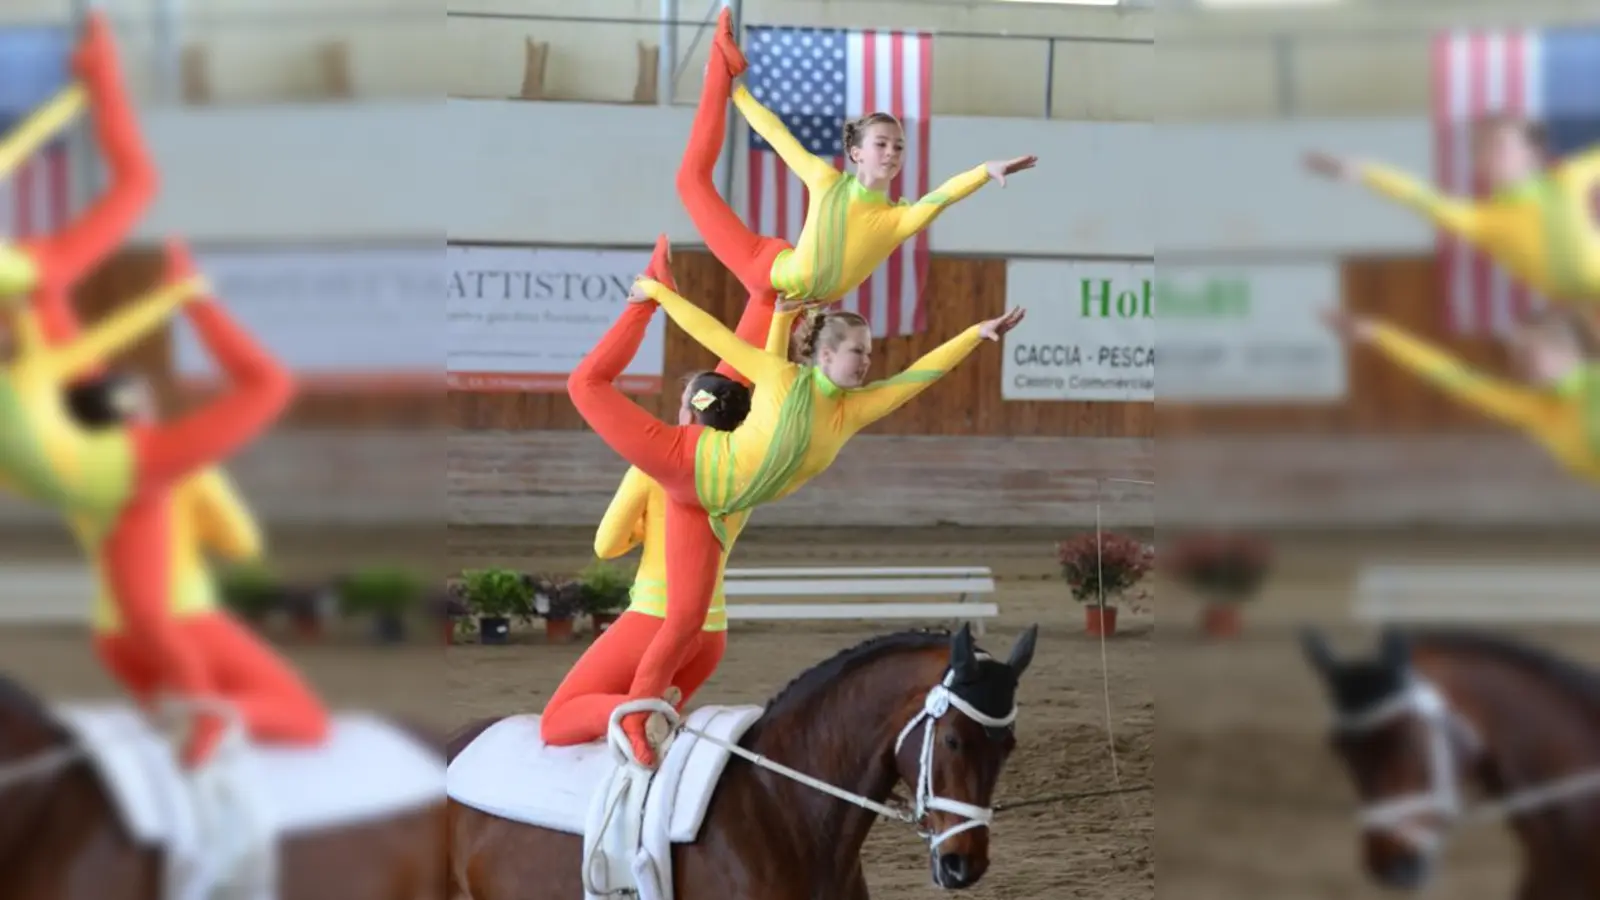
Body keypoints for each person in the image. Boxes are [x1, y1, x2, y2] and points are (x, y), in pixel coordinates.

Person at [568, 267, 1024, 765]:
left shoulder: (851, 410)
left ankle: (644, 714)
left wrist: (974, 336)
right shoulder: (779, 376)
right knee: (588, 390)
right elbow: (715, 336)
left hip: (713, 504)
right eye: (858, 352)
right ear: (825, 354)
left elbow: (917, 377)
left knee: (689, 617)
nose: (868, 363)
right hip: (690, 468)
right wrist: (658, 294)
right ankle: (637, 718)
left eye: (869, 353)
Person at [0, 238, 324, 770]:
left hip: (114, 636)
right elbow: (240, 540)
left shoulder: (78, 466)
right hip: (182, 624)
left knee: (172, 752)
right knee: (302, 717)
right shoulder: (164, 462)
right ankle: (216, 728)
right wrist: (197, 300)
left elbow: (79, 370)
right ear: (143, 410)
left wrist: (43, 298)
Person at [540, 239, 802, 761]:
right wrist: (772, 304)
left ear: (685, 413)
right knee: (658, 742)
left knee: (558, 721)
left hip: (654, 621)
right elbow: (738, 375)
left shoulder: (657, 463)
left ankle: (626, 715)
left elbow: (607, 545)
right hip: (711, 633)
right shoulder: (742, 460)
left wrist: (642, 528)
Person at [677, 8, 1037, 305]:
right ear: (855, 152)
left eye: (898, 146)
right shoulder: (825, 180)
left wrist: (985, 171)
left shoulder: (896, 219)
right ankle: (721, 70)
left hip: (788, 301)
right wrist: (734, 94)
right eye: (881, 144)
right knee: (690, 183)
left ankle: (723, 71)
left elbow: (940, 199)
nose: (892, 152)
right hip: (763, 269)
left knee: (740, 381)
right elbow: (777, 135)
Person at [1304, 116, 1600, 324]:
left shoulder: (1571, 176)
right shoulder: (1483, 220)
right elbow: (1424, 199)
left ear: (1532, 152)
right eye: (1479, 147)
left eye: (1498, 144)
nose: (1487, 155)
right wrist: (1366, 172)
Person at [0, 11, 157, 350]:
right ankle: (100, 68)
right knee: (139, 183)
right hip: (39, 276)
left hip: (36, 278)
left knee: (139, 183)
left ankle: (100, 68)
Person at [1323, 304, 1600, 482]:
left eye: (1528, 352)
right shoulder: (1534, 408)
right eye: (1516, 354)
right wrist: (1378, 334)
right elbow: (1454, 378)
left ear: (1567, 350)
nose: (1518, 364)